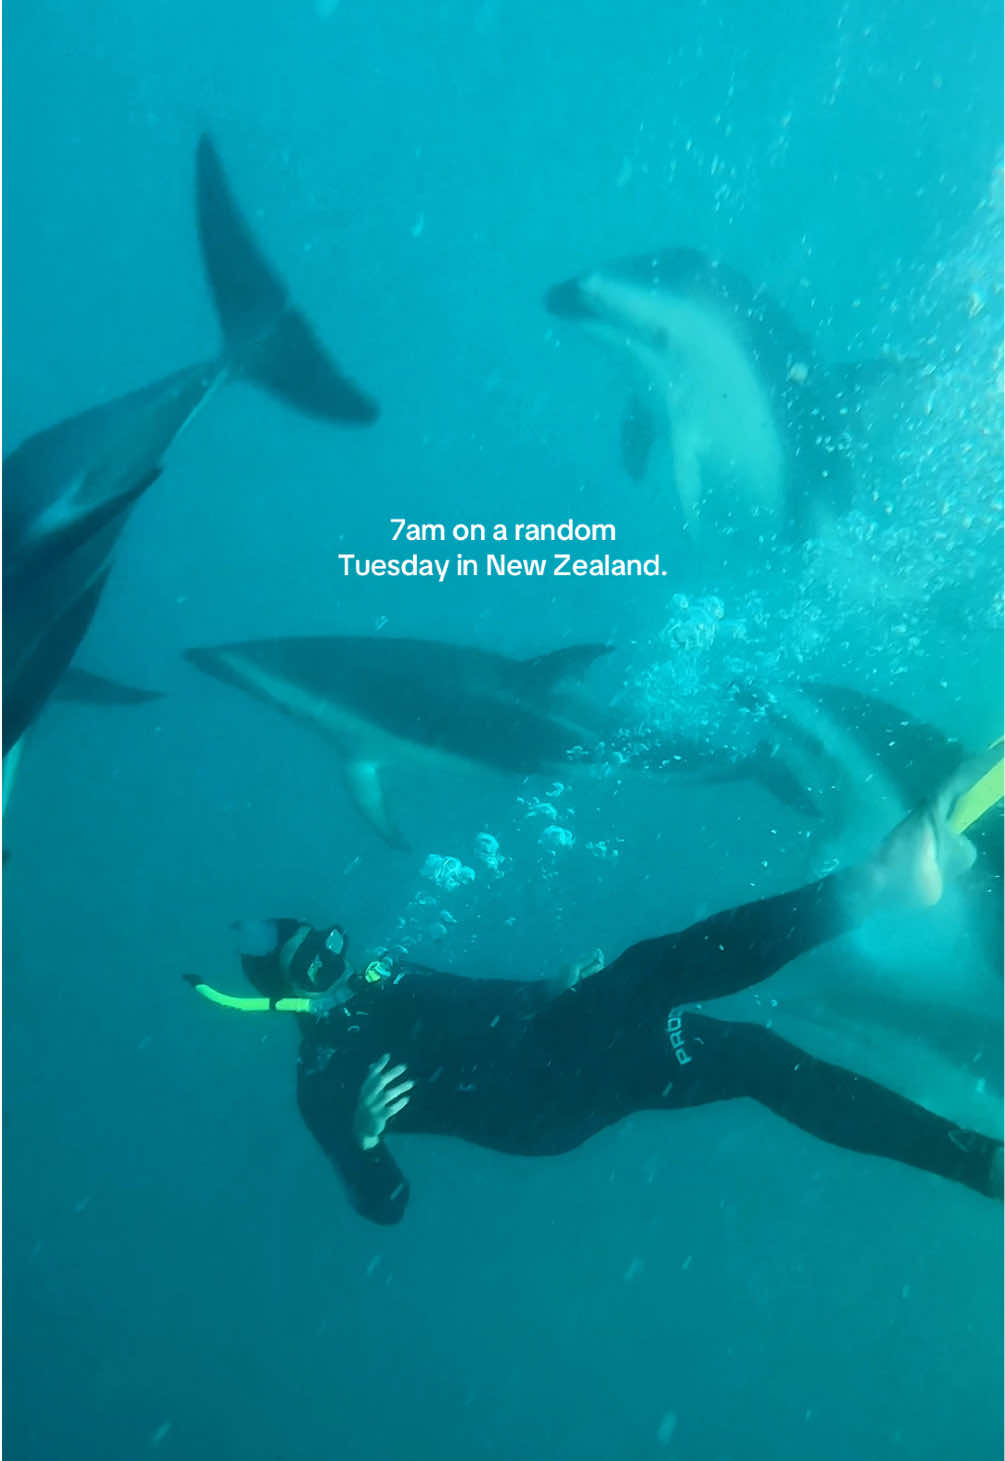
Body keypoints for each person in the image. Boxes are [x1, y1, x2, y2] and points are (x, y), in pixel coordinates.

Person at [188, 765, 1004, 1225]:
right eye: (310, 962)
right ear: (280, 996)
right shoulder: (322, 1084)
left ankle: (977, 1162)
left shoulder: (386, 972)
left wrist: (547, 986)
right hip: (535, 1108)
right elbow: (386, 1204)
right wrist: (366, 1138)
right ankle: (869, 890)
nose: (335, 958)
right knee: (649, 973)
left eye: (326, 939)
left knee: (751, 1054)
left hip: (562, 1032)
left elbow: (481, 1001)